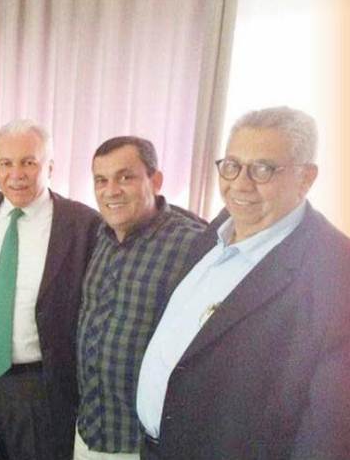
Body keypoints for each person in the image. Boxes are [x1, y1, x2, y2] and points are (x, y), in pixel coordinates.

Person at [136, 106, 350, 459]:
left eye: (262, 169)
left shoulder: (335, 271)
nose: (240, 184)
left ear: (306, 178)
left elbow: (328, 434)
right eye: (232, 165)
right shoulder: (218, 228)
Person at [0, 120, 101, 460]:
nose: (16, 174)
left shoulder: (82, 224)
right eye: (6, 163)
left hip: (42, 386)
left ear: (50, 167)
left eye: (28, 162)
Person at [74, 136, 205, 460]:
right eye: (101, 180)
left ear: (155, 181)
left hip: (143, 444)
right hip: (89, 430)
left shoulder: (193, 246)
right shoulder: (98, 235)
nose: (111, 191)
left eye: (125, 177)